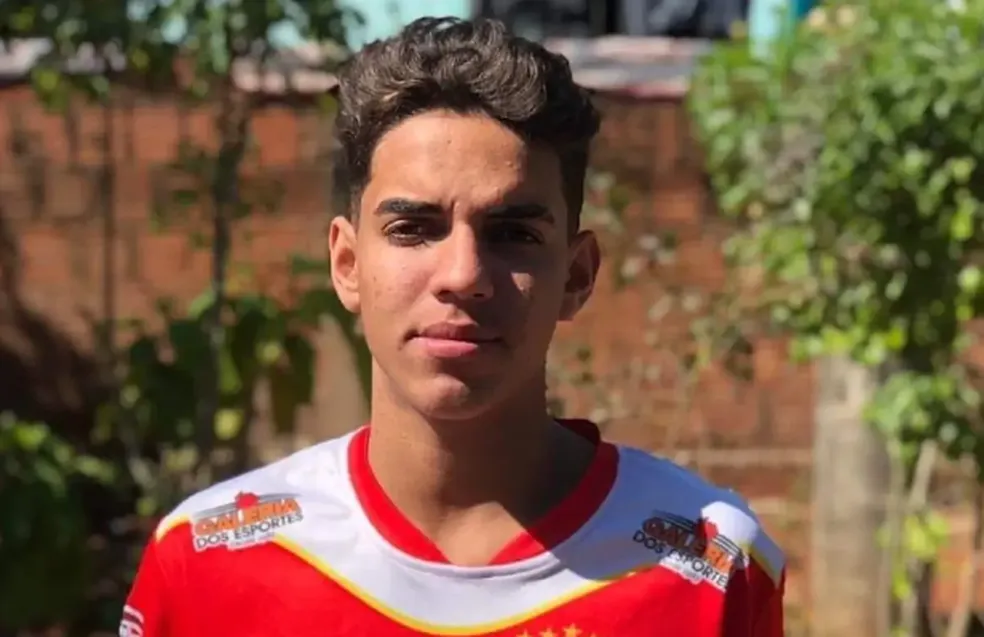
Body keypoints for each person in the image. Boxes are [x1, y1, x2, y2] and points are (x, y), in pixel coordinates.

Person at [120, 16, 785, 637]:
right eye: (413, 229)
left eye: (514, 234)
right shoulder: (206, 561)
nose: (463, 274)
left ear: (577, 275)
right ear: (347, 265)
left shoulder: (712, 567)